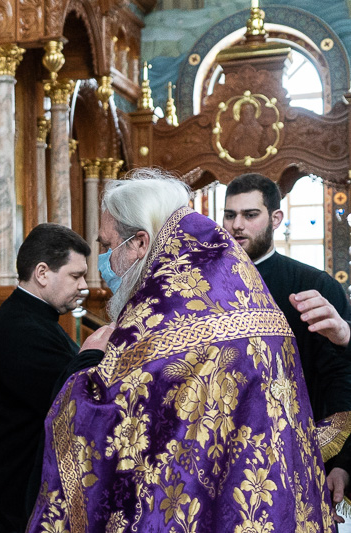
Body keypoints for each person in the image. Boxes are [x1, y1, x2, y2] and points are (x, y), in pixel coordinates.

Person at [28, 169, 333, 531]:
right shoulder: (237, 285)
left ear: (141, 243)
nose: (107, 261)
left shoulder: (163, 312)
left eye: (109, 245)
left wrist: (89, 362)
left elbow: (105, 414)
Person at [223, 173, 351, 515]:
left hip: (299, 453)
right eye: (229, 215)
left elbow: (339, 376)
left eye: (250, 215)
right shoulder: (206, 288)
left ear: (275, 219)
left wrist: (344, 462)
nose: (237, 225)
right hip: (224, 456)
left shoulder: (313, 284)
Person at [0, 223, 99, 533]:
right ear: (42, 273)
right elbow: (72, 400)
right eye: (75, 276)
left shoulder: (34, 317)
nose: (83, 285)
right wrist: (92, 355)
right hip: (20, 498)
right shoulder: (22, 330)